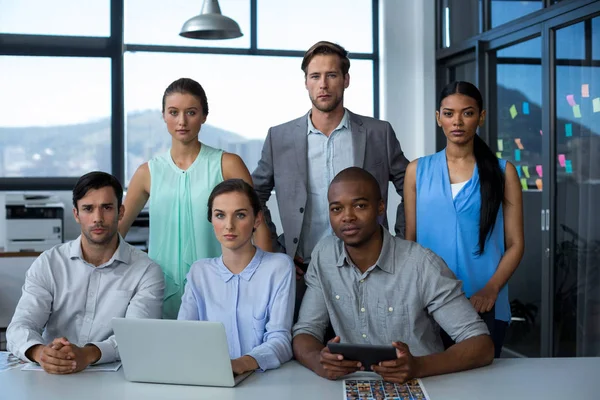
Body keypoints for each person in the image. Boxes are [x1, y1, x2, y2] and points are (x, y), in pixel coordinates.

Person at [252, 41, 409, 319]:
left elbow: (412, 187)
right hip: (304, 268)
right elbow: (254, 196)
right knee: (305, 347)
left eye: (332, 75)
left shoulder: (378, 133)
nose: (323, 84)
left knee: (369, 348)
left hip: (369, 266)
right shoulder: (280, 137)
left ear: (346, 80)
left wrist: (399, 240)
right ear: (306, 83)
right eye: (315, 76)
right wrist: (277, 250)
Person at [292, 167, 494, 383]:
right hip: (352, 386)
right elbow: (305, 332)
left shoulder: (421, 264)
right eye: (336, 209)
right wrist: (320, 362)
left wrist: (418, 366)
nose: (347, 216)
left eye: (360, 205)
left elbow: (481, 344)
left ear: (380, 207)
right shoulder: (325, 255)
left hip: (422, 384)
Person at [119, 78, 271, 319]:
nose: (182, 121)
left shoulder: (227, 164)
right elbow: (116, 233)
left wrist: (263, 284)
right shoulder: (147, 172)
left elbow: (257, 225)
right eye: (173, 112)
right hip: (160, 291)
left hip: (221, 290)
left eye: (191, 112)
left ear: (204, 115)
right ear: (163, 116)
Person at [404, 81, 524, 358]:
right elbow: (409, 241)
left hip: (484, 303)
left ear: (481, 117)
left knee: (481, 387)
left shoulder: (503, 172)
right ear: (438, 118)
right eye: (449, 113)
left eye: (467, 113)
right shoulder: (417, 171)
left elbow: (516, 243)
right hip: (428, 302)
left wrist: (491, 289)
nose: (457, 121)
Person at [7, 172, 164, 374]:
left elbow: (138, 336)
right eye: (88, 209)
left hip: (116, 378)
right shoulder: (49, 263)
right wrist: (41, 353)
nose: (97, 218)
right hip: (51, 376)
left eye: (106, 208)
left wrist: (88, 354)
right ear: (76, 214)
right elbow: (20, 325)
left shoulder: (146, 271)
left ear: (121, 212)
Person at [178, 179, 295, 375]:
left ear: (257, 219)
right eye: (220, 215)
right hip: (208, 380)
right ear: (211, 220)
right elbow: (182, 335)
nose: (229, 225)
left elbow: (280, 340)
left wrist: (240, 364)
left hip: (265, 382)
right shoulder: (199, 272)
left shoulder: (279, 267)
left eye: (240, 215)